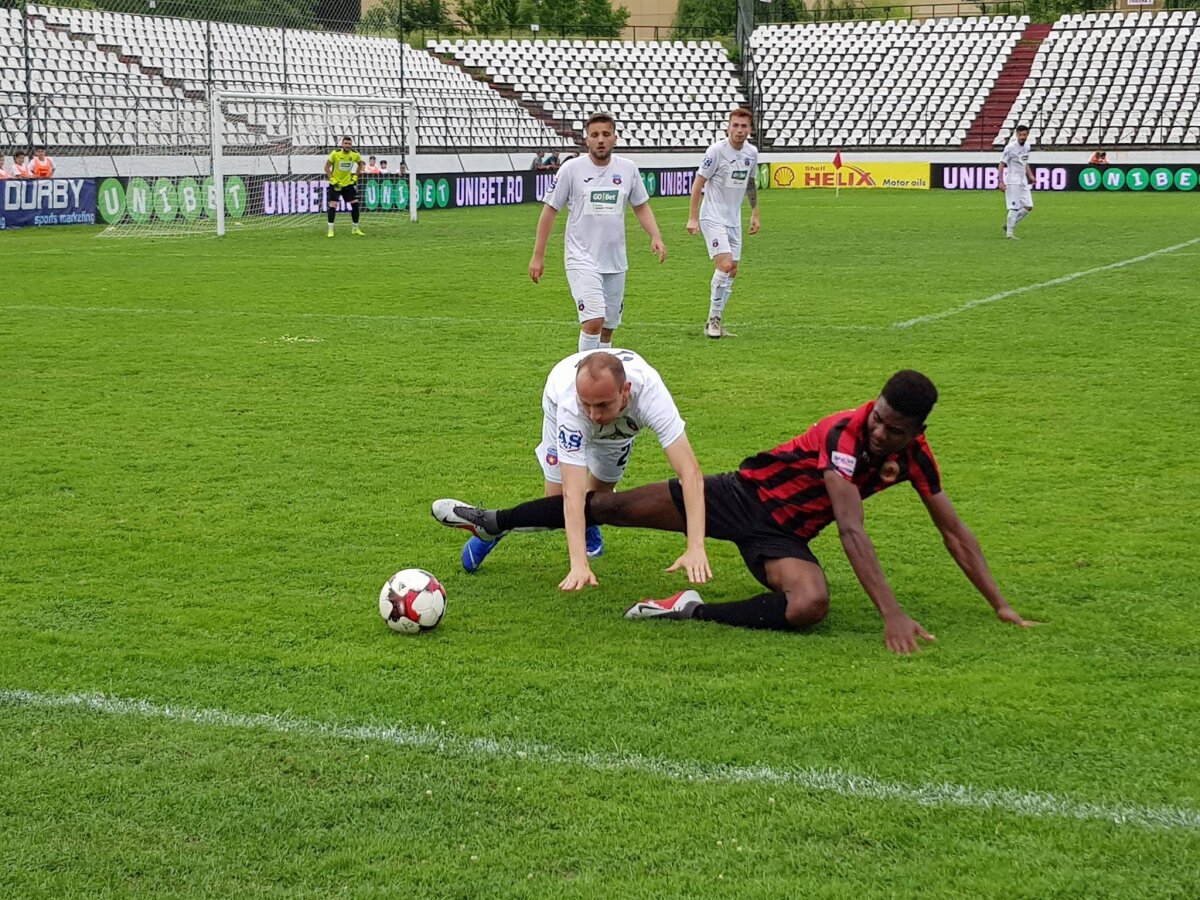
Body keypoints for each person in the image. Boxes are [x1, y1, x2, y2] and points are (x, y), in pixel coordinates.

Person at [434, 371, 1037, 655]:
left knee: (810, 605)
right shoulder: (843, 436)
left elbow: (953, 531)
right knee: (604, 505)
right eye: (877, 416)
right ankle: (493, 521)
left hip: (782, 538)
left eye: (893, 428)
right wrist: (892, 614)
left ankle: (694, 610)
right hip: (738, 496)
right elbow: (850, 528)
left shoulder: (917, 458)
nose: (878, 430)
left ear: (917, 432)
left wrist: (1000, 603)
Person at [434, 348, 709, 586]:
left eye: (602, 405)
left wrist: (695, 545)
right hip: (557, 404)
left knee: (600, 502)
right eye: (587, 404)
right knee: (554, 504)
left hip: (620, 432)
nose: (593, 415)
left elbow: (690, 473)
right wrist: (579, 564)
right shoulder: (571, 408)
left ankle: (576, 527)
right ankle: (492, 528)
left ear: (626, 391)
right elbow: (572, 494)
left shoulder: (650, 394)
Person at [529, 112, 667, 353]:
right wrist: (538, 255)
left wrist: (655, 235)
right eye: (594, 135)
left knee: (608, 327)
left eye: (605, 134)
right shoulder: (571, 169)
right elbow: (550, 210)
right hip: (581, 257)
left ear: (615, 137)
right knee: (593, 321)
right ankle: (585, 380)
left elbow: (641, 205)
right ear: (587, 140)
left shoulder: (628, 169)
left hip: (615, 260)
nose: (600, 139)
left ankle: (601, 380)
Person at [687, 108, 760, 339]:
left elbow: (750, 182)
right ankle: (714, 321)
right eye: (735, 125)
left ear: (750, 129)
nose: (739, 130)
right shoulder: (716, 151)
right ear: (728, 127)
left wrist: (755, 213)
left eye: (744, 126)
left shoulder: (751, 153)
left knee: (733, 270)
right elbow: (699, 182)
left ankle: (713, 319)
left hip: (734, 218)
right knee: (725, 265)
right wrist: (693, 216)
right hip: (713, 216)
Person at [998, 125, 1034, 240]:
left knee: (1028, 206)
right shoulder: (1010, 148)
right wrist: (1000, 181)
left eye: (1024, 135)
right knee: (1014, 207)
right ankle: (1009, 234)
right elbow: (1001, 164)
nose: (1022, 137)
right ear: (1016, 135)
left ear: (1027, 135)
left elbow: (1025, 162)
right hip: (1013, 180)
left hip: (1022, 179)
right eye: (1020, 135)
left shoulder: (1027, 146)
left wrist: (1030, 175)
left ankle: (1008, 224)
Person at [324, 135, 365, 238]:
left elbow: (361, 165)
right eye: (345, 143)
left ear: (351, 145)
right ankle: (330, 230)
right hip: (336, 184)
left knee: (355, 204)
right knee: (333, 205)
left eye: (349, 144)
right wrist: (332, 179)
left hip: (348, 184)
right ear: (342, 144)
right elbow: (327, 167)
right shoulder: (335, 153)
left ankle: (355, 229)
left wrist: (355, 177)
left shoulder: (355, 155)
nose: (347, 145)